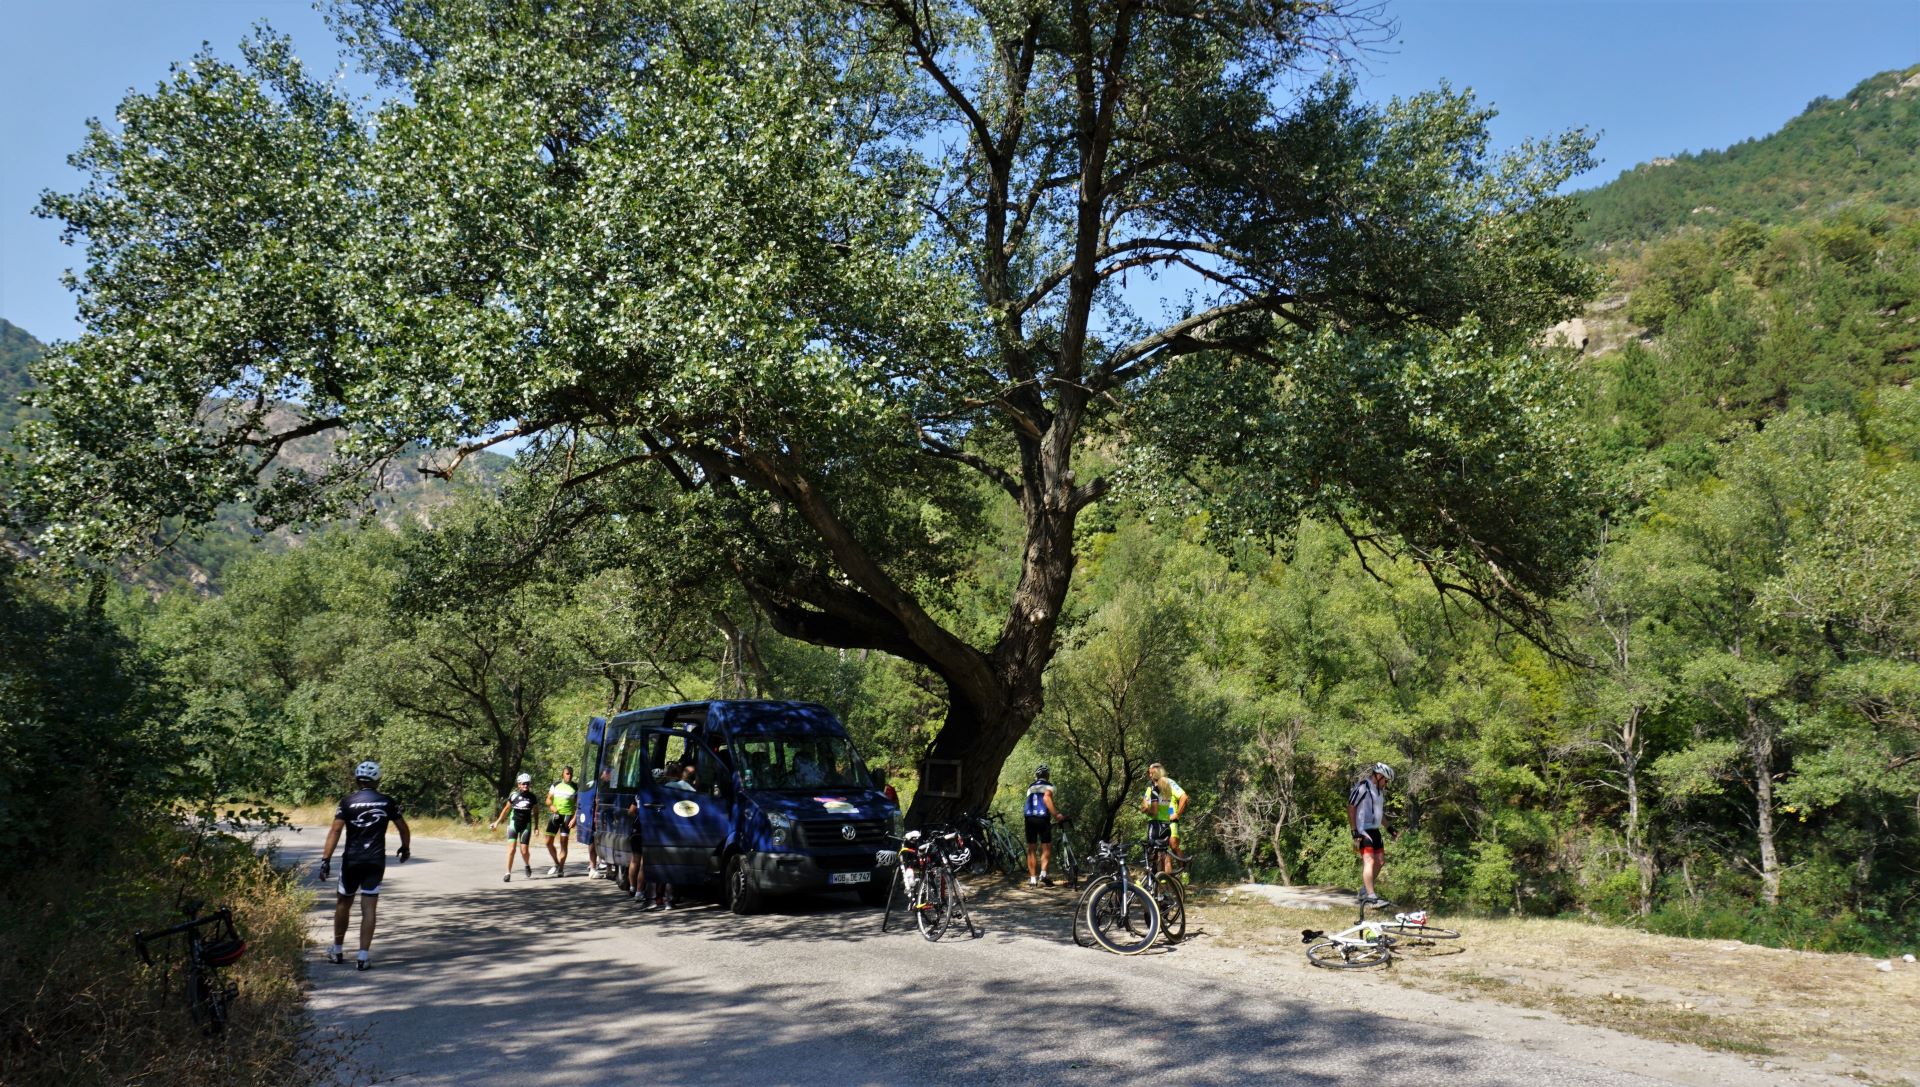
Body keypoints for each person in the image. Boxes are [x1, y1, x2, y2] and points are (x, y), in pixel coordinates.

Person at [317, 760, 411, 971]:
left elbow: (335, 830)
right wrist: (405, 848)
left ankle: (337, 951)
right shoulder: (387, 801)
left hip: (352, 860)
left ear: (357, 780)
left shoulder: (347, 802)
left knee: (343, 903)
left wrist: (325, 860)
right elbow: (403, 828)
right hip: (375, 861)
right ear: (378, 780)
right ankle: (362, 957)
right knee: (369, 907)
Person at [1348, 762, 1394, 908]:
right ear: (1379, 776)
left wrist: (1390, 828)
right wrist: (1354, 831)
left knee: (1380, 862)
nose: (1386, 784)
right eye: (1386, 780)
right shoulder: (1363, 787)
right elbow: (1351, 807)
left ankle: (1364, 890)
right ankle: (1371, 896)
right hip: (1362, 830)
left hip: (1375, 830)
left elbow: (1380, 814)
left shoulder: (1379, 792)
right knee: (1369, 861)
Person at [1140, 762, 1188, 875]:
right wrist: (1145, 807)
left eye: (1152, 773)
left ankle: (1183, 873)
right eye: (1149, 773)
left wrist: (1177, 814)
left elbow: (1184, 797)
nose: (1150, 775)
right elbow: (1144, 804)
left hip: (1169, 818)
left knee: (1173, 845)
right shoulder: (1150, 787)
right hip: (1159, 820)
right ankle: (1165, 878)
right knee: (1162, 851)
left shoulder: (1169, 782)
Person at [489, 773, 539, 881]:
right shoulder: (514, 795)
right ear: (519, 785)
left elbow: (536, 812)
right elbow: (506, 809)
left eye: (527, 783)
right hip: (513, 824)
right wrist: (497, 822)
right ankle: (507, 873)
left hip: (526, 825)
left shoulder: (532, 797)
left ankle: (527, 865)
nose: (526, 785)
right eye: (523, 784)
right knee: (511, 849)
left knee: (524, 850)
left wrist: (536, 827)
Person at [1022, 764, 1062, 886]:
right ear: (1048, 776)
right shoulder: (1050, 786)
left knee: (1031, 848)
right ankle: (1043, 875)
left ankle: (1033, 879)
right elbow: (1046, 798)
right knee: (1046, 846)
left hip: (1029, 818)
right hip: (1043, 818)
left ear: (1037, 776)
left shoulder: (1030, 787)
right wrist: (1056, 814)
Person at [544, 766, 579, 878]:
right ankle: (556, 863)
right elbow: (548, 799)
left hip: (567, 816)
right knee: (548, 842)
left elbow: (579, 805)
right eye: (567, 773)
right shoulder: (556, 785)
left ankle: (561, 869)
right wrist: (552, 807)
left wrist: (574, 819)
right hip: (556, 815)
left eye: (571, 773)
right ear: (563, 774)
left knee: (563, 843)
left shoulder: (575, 787)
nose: (569, 775)